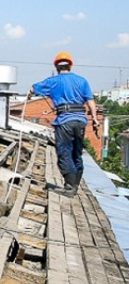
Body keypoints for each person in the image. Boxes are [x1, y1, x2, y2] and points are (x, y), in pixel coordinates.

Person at [28, 52, 99, 196]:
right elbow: (90, 101)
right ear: (70, 66)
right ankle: (75, 185)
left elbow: (33, 89)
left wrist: (30, 93)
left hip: (65, 121)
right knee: (76, 153)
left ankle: (69, 188)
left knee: (64, 152)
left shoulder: (53, 81)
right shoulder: (82, 81)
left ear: (56, 66)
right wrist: (95, 118)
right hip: (80, 121)